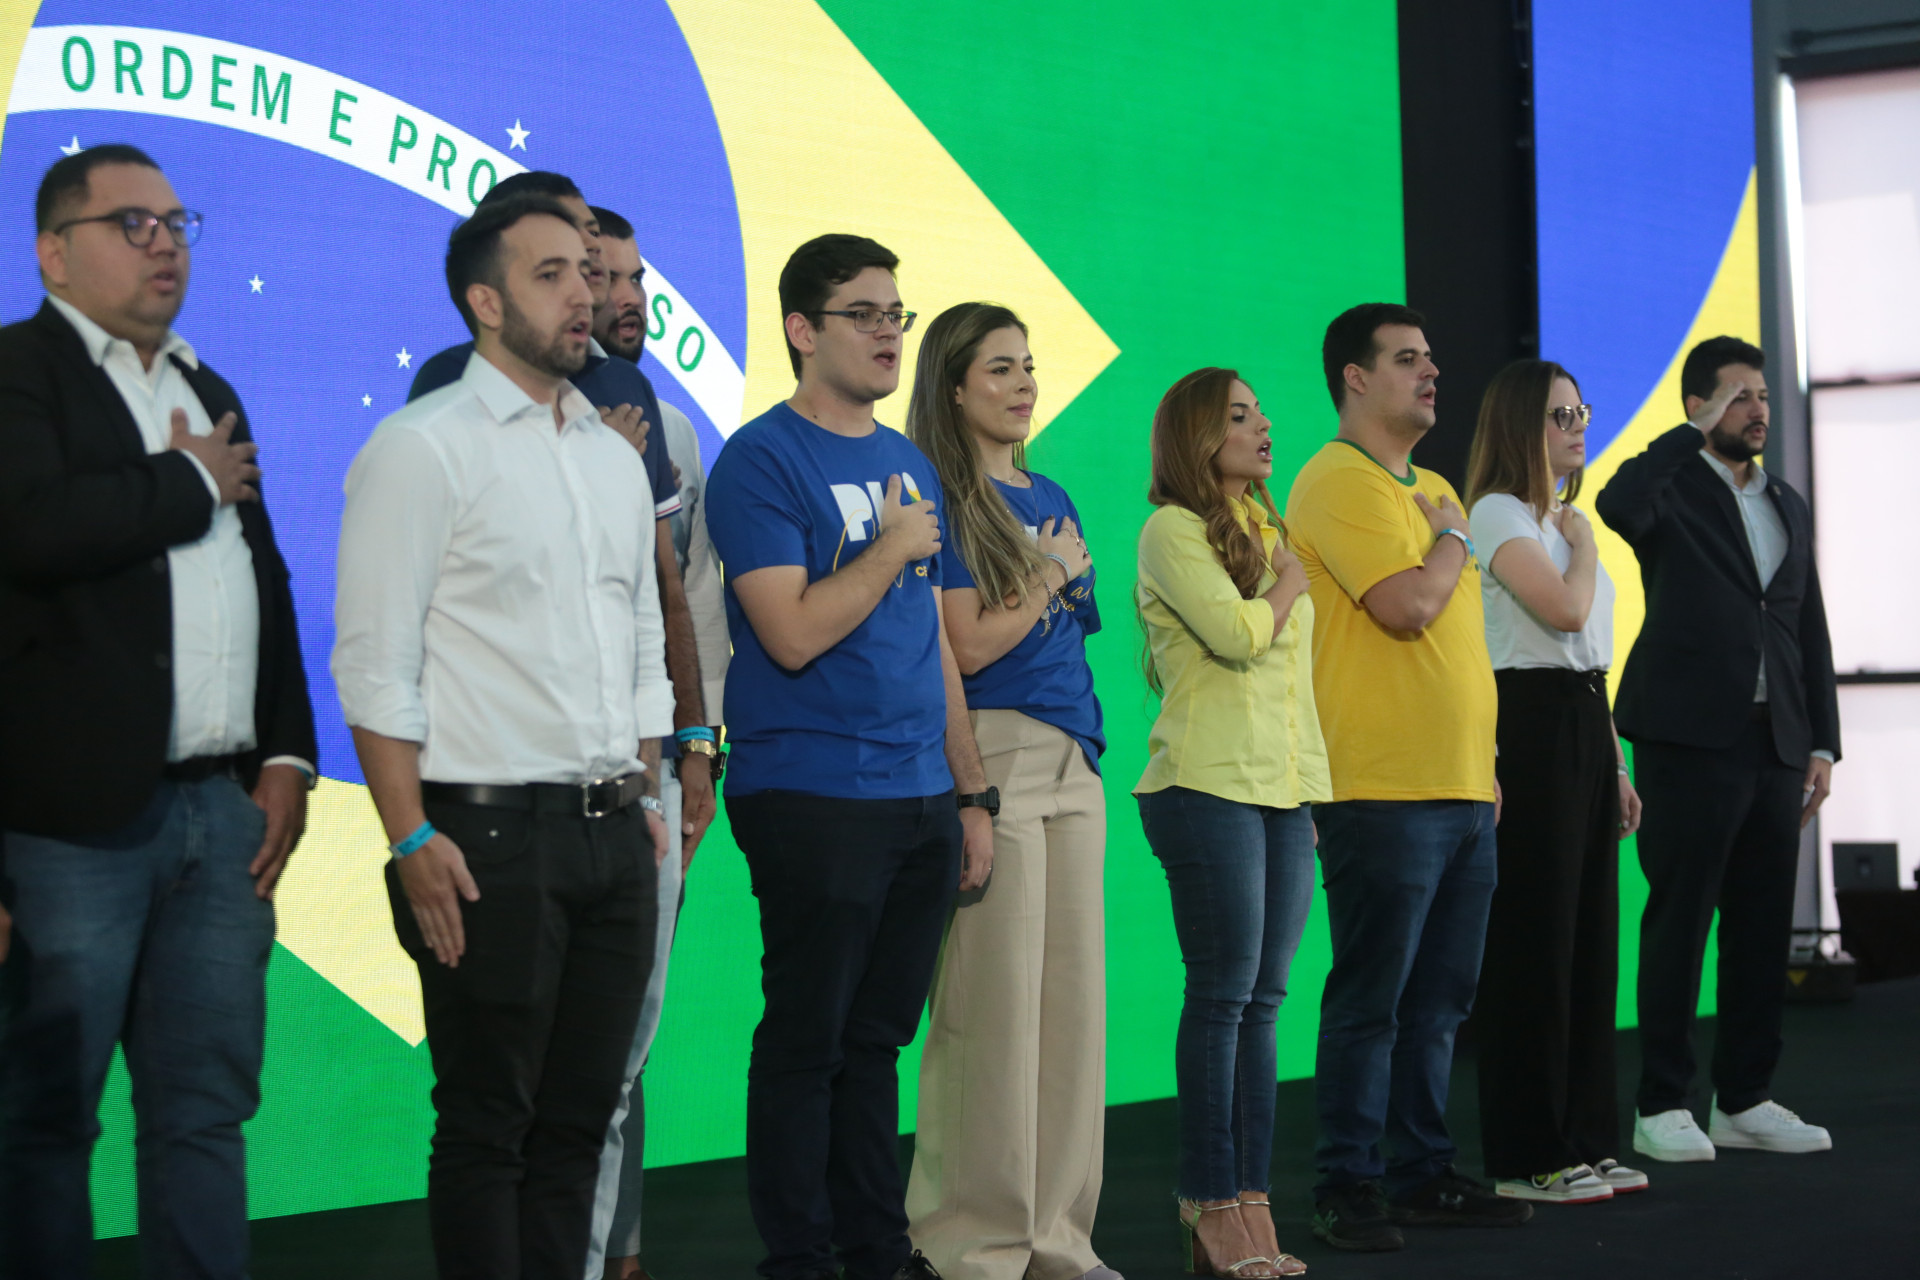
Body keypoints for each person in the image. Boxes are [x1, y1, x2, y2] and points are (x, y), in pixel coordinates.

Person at [332, 193, 673, 1280]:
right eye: (552, 275)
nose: (586, 293)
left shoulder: (614, 458)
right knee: (490, 1128)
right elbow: (372, 662)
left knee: (581, 1124)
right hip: (482, 842)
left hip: (616, 834)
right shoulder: (421, 447)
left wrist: (651, 793)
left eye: (589, 269)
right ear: (485, 301)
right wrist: (406, 837)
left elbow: (638, 638)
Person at [0, 144, 318, 1279]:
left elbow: (264, 574)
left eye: (176, 220)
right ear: (53, 252)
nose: (165, 241)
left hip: (222, 810)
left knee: (203, 1110)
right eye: (131, 223)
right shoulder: (18, 372)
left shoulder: (207, 384)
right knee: (44, 1121)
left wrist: (286, 747)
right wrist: (187, 483)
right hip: (68, 822)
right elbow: (29, 527)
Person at [704, 234, 992, 1280]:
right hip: (814, 789)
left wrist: (970, 792)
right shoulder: (762, 459)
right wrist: (881, 552)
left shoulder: (910, 462)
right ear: (800, 329)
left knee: (876, 1042)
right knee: (809, 1037)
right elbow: (787, 631)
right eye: (864, 313)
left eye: (897, 314)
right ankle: (800, 1253)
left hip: (920, 794)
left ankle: (877, 1243)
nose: (888, 334)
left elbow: (938, 653)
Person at [1284, 303, 1526, 1253]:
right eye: (1407, 360)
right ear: (1354, 377)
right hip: (1380, 788)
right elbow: (1408, 607)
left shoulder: (1430, 488)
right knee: (1373, 1001)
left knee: (1439, 1007)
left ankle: (1423, 1174)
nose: (1432, 373)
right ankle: (1347, 1184)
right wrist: (1456, 536)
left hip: (1462, 786)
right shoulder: (1338, 480)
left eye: (1432, 358)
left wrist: (1487, 765)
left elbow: (1460, 644)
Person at [901, 304, 1114, 1280]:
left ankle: (1059, 1238)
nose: (1024, 383)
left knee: (1072, 1015)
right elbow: (969, 643)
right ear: (953, 386)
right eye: (1000, 368)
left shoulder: (1053, 487)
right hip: (994, 759)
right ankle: (974, 1242)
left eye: (1028, 366)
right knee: (992, 1011)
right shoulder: (938, 494)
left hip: (1077, 760)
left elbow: (1080, 620)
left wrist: (1055, 573)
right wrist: (1047, 568)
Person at [1596, 336, 1840, 1163]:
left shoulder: (1787, 501)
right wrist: (1683, 437)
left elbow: (1805, 622)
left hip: (1779, 741)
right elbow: (1617, 505)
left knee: (1763, 927)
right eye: (1739, 396)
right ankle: (1663, 1103)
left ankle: (1746, 1097)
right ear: (1700, 406)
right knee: (1680, 919)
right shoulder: (1669, 488)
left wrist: (1825, 743)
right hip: (1690, 736)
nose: (1759, 409)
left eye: (1763, 395)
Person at [1134, 369, 1328, 1279]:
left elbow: (1294, 685)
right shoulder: (1170, 530)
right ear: (1198, 436)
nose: (1265, 426)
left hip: (1280, 792)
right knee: (1222, 1000)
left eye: (1263, 411)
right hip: (1205, 786)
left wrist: (1311, 792)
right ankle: (1211, 1202)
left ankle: (1252, 1199)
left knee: (1263, 1003)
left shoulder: (1264, 528)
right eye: (1241, 416)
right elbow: (1241, 639)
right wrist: (1288, 583)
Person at [583, 205, 730, 1280]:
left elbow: (692, 607)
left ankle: (623, 1253)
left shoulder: (670, 430)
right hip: (530, 782)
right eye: (603, 277)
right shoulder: (473, 409)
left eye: (640, 277)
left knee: (627, 1050)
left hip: (658, 775)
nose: (631, 297)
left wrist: (697, 750)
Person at [1463, 360, 1647, 1204]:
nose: (1576, 426)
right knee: (1534, 942)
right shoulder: (1500, 512)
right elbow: (1564, 615)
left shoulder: (1558, 518)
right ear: (1518, 427)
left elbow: (1590, 657)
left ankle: (1586, 1136)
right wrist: (1582, 548)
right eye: (1558, 414)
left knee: (1588, 938)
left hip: (1580, 716)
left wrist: (1614, 763)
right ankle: (1527, 1151)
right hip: (1527, 726)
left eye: (1580, 409)